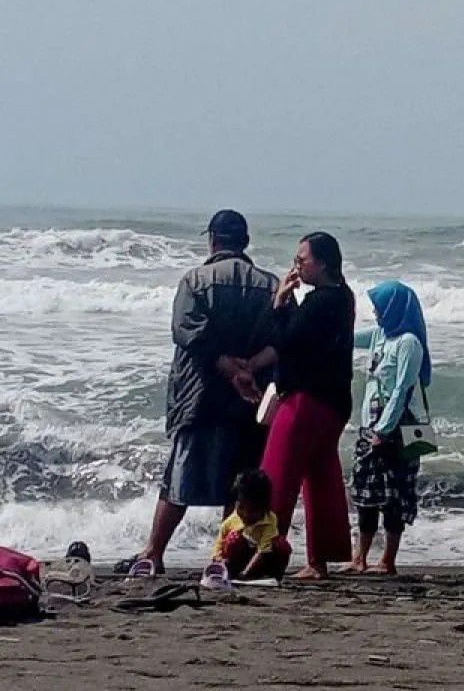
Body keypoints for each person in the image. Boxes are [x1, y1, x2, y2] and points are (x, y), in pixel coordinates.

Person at [117, 210, 277, 576]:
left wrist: (226, 366)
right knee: (239, 484)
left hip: (201, 395)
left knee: (179, 479)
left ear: (213, 241)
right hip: (249, 397)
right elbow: (279, 339)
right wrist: (247, 369)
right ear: (245, 242)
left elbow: (188, 331)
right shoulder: (270, 285)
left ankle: (154, 554)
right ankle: (223, 559)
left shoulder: (195, 280)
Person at [256, 232, 355, 579]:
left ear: (323, 263)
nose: (296, 264)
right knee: (321, 476)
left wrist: (279, 304)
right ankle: (320, 559)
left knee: (277, 476)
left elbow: (286, 341)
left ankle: (262, 552)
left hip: (306, 400)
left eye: (303, 259)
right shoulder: (343, 297)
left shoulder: (320, 302)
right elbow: (307, 339)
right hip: (334, 401)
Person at [348, 281, 432, 575]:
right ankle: (360, 557)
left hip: (398, 428)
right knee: (366, 494)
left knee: (395, 496)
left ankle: (387, 561)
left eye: (380, 308)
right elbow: (349, 337)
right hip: (371, 424)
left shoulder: (409, 342)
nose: (376, 313)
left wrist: (384, 431)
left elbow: (402, 390)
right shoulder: (381, 335)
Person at [211, 470, 291, 580]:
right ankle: (231, 572)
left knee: (281, 545)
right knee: (233, 540)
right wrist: (218, 559)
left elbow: (263, 551)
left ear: (264, 508)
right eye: (241, 508)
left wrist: (245, 573)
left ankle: (272, 576)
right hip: (238, 560)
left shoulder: (269, 520)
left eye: (253, 510)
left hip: (260, 562)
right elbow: (219, 543)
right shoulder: (233, 519)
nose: (246, 514)